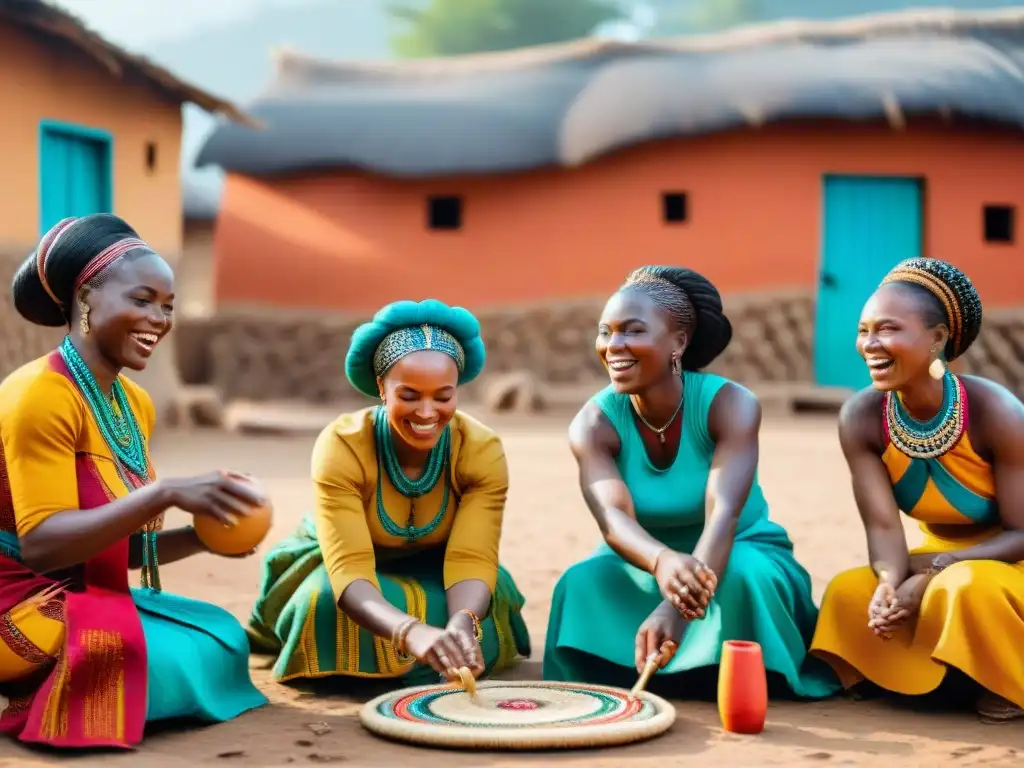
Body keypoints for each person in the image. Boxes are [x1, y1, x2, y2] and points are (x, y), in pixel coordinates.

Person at [0, 214, 268, 749]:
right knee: (142, 656)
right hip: (14, 601)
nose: (159, 319)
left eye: (167, 306)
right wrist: (164, 493)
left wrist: (202, 538)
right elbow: (44, 545)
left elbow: (108, 548)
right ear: (86, 301)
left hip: (75, 589)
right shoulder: (39, 395)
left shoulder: (132, 404)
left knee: (220, 636)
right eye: (142, 300)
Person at [543, 265, 839, 699]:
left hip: (738, 548)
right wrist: (662, 562)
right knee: (582, 580)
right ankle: (663, 669)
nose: (613, 346)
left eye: (633, 330)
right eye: (605, 332)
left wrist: (677, 609)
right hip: (642, 559)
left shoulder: (730, 405)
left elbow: (723, 516)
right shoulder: (592, 423)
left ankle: (720, 669)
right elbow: (613, 519)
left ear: (678, 342)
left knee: (741, 576)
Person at [249, 299, 529, 685]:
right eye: (410, 396)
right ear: (382, 387)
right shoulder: (342, 445)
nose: (427, 413)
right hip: (350, 572)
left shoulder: (480, 449)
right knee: (322, 604)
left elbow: (470, 556)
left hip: (443, 569)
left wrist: (461, 624)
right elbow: (349, 568)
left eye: (443, 397)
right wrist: (410, 632)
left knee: (472, 614)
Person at [810, 257, 1024, 723]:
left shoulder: (996, 411)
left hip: (1008, 562)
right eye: (864, 330)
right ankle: (950, 677)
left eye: (887, 329)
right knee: (850, 592)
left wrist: (932, 574)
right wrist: (891, 585)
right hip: (933, 558)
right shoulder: (862, 417)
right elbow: (884, 526)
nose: (869, 344)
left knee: (966, 590)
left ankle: (1001, 677)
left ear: (938, 338)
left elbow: (1022, 532)